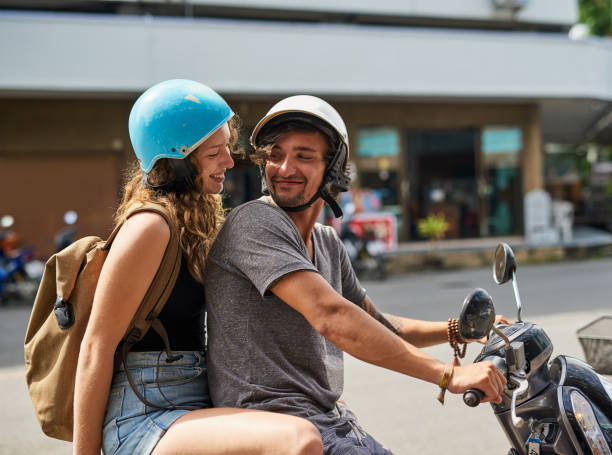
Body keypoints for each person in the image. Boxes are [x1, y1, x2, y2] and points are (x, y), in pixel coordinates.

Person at [204, 95, 508, 454]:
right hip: (273, 425)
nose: (285, 168)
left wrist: (455, 330)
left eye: (303, 156)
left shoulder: (327, 242)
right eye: (275, 155)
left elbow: (373, 322)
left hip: (326, 421)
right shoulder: (255, 222)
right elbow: (330, 315)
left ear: (332, 169)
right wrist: (449, 374)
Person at [72, 80, 323, 455]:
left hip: (198, 400)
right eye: (214, 153)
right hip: (144, 413)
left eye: (228, 148)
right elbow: (96, 346)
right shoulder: (150, 227)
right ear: (177, 160)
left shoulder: (199, 218)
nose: (229, 161)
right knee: (298, 440)